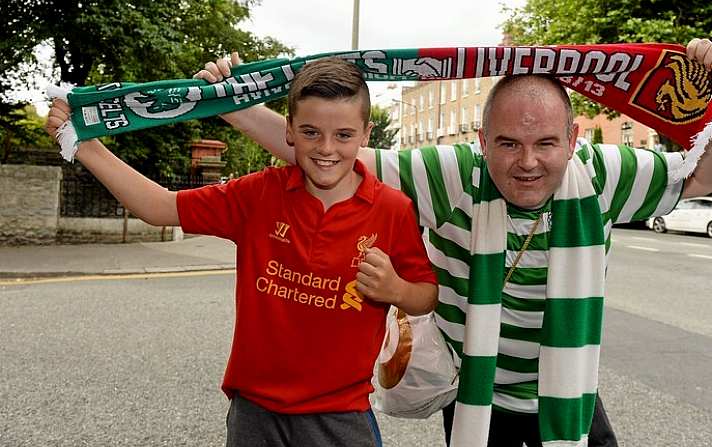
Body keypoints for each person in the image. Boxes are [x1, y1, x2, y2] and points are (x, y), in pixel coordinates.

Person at [196, 38, 712, 446]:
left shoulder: (604, 174)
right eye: (508, 143)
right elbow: (333, 156)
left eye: (546, 142)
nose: (527, 162)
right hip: (477, 394)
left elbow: (706, 175)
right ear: (481, 141)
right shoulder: (450, 173)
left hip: (568, 395)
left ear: (573, 139)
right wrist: (228, 103)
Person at [46, 57, 439, 447]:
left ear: (366, 134)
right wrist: (82, 143)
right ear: (288, 131)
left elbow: (426, 294)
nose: (326, 149)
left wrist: (396, 290)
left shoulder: (391, 209)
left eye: (343, 135)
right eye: (310, 132)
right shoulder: (259, 194)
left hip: (340, 415)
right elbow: (159, 206)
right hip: (254, 412)